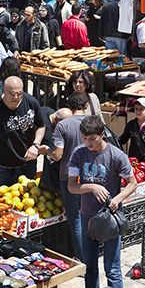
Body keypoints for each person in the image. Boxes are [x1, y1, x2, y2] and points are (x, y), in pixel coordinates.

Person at [67, 116, 137, 288]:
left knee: (112, 268)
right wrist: (92, 187)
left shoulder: (116, 155)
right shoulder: (78, 154)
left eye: (92, 138)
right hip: (87, 216)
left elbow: (132, 183)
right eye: (84, 138)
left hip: (110, 218)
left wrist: (118, 199)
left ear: (102, 135)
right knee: (90, 267)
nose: (88, 143)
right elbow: (71, 186)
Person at [0, 77, 45, 189]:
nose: (16, 97)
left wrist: (35, 145)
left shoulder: (31, 102)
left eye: (19, 93)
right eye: (12, 94)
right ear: (3, 90)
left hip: (26, 162)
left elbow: (41, 126)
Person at [51, 92, 91, 258]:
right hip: (91, 176)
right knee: (88, 216)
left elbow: (58, 155)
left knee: (75, 219)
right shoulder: (93, 123)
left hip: (70, 178)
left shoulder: (63, 125)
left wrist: (47, 151)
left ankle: (82, 258)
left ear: (70, 107)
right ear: (86, 106)